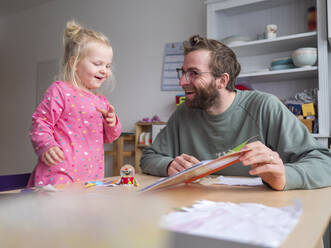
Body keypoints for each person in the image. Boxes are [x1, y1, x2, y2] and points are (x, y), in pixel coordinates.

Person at [140, 35, 331, 191]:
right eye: (182, 73)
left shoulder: (264, 106)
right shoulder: (184, 113)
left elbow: (325, 164)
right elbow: (149, 157)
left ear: (222, 81)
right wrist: (168, 165)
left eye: (193, 73)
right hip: (201, 213)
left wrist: (283, 176)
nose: (182, 82)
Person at [28, 20, 122, 186]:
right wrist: (46, 145)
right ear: (74, 63)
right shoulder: (60, 90)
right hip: (59, 174)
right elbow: (40, 122)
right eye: (97, 63)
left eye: (108, 65)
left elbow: (110, 137)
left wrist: (112, 123)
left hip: (91, 177)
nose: (104, 70)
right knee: (57, 211)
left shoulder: (101, 101)